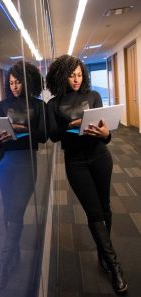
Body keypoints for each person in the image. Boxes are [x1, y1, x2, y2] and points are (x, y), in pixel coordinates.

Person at [46, 54, 128, 294]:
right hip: (76, 161)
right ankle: (115, 267)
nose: (76, 79)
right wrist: (70, 126)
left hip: (100, 156)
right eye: (72, 75)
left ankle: (104, 254)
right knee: (93, 212)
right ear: (62, 76)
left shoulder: (93, 96)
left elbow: (107, 132)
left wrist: (105, 134)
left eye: (80, 74)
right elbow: (52, 135)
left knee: (105, 207)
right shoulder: (54, 104)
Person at [0, 61, 47, 289]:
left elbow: (43, 137)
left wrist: (25, 130)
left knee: (15, 211)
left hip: (26, 163)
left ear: (27, 81)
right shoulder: (2, 105)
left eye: (18, 82)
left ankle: (4, 262)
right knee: (8, 212)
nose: (14, 86)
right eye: (11, 83)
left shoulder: (38, 105)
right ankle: (14, 255)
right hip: (5, 163)